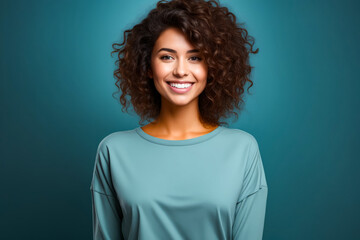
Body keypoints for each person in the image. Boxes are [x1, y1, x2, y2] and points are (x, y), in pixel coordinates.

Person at [90, 0, 268, 239]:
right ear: (148, 65)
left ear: (212, 67)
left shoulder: (242, 150)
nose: (181, 71)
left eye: (195, 58)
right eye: (167, 57)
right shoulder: (113, 151)